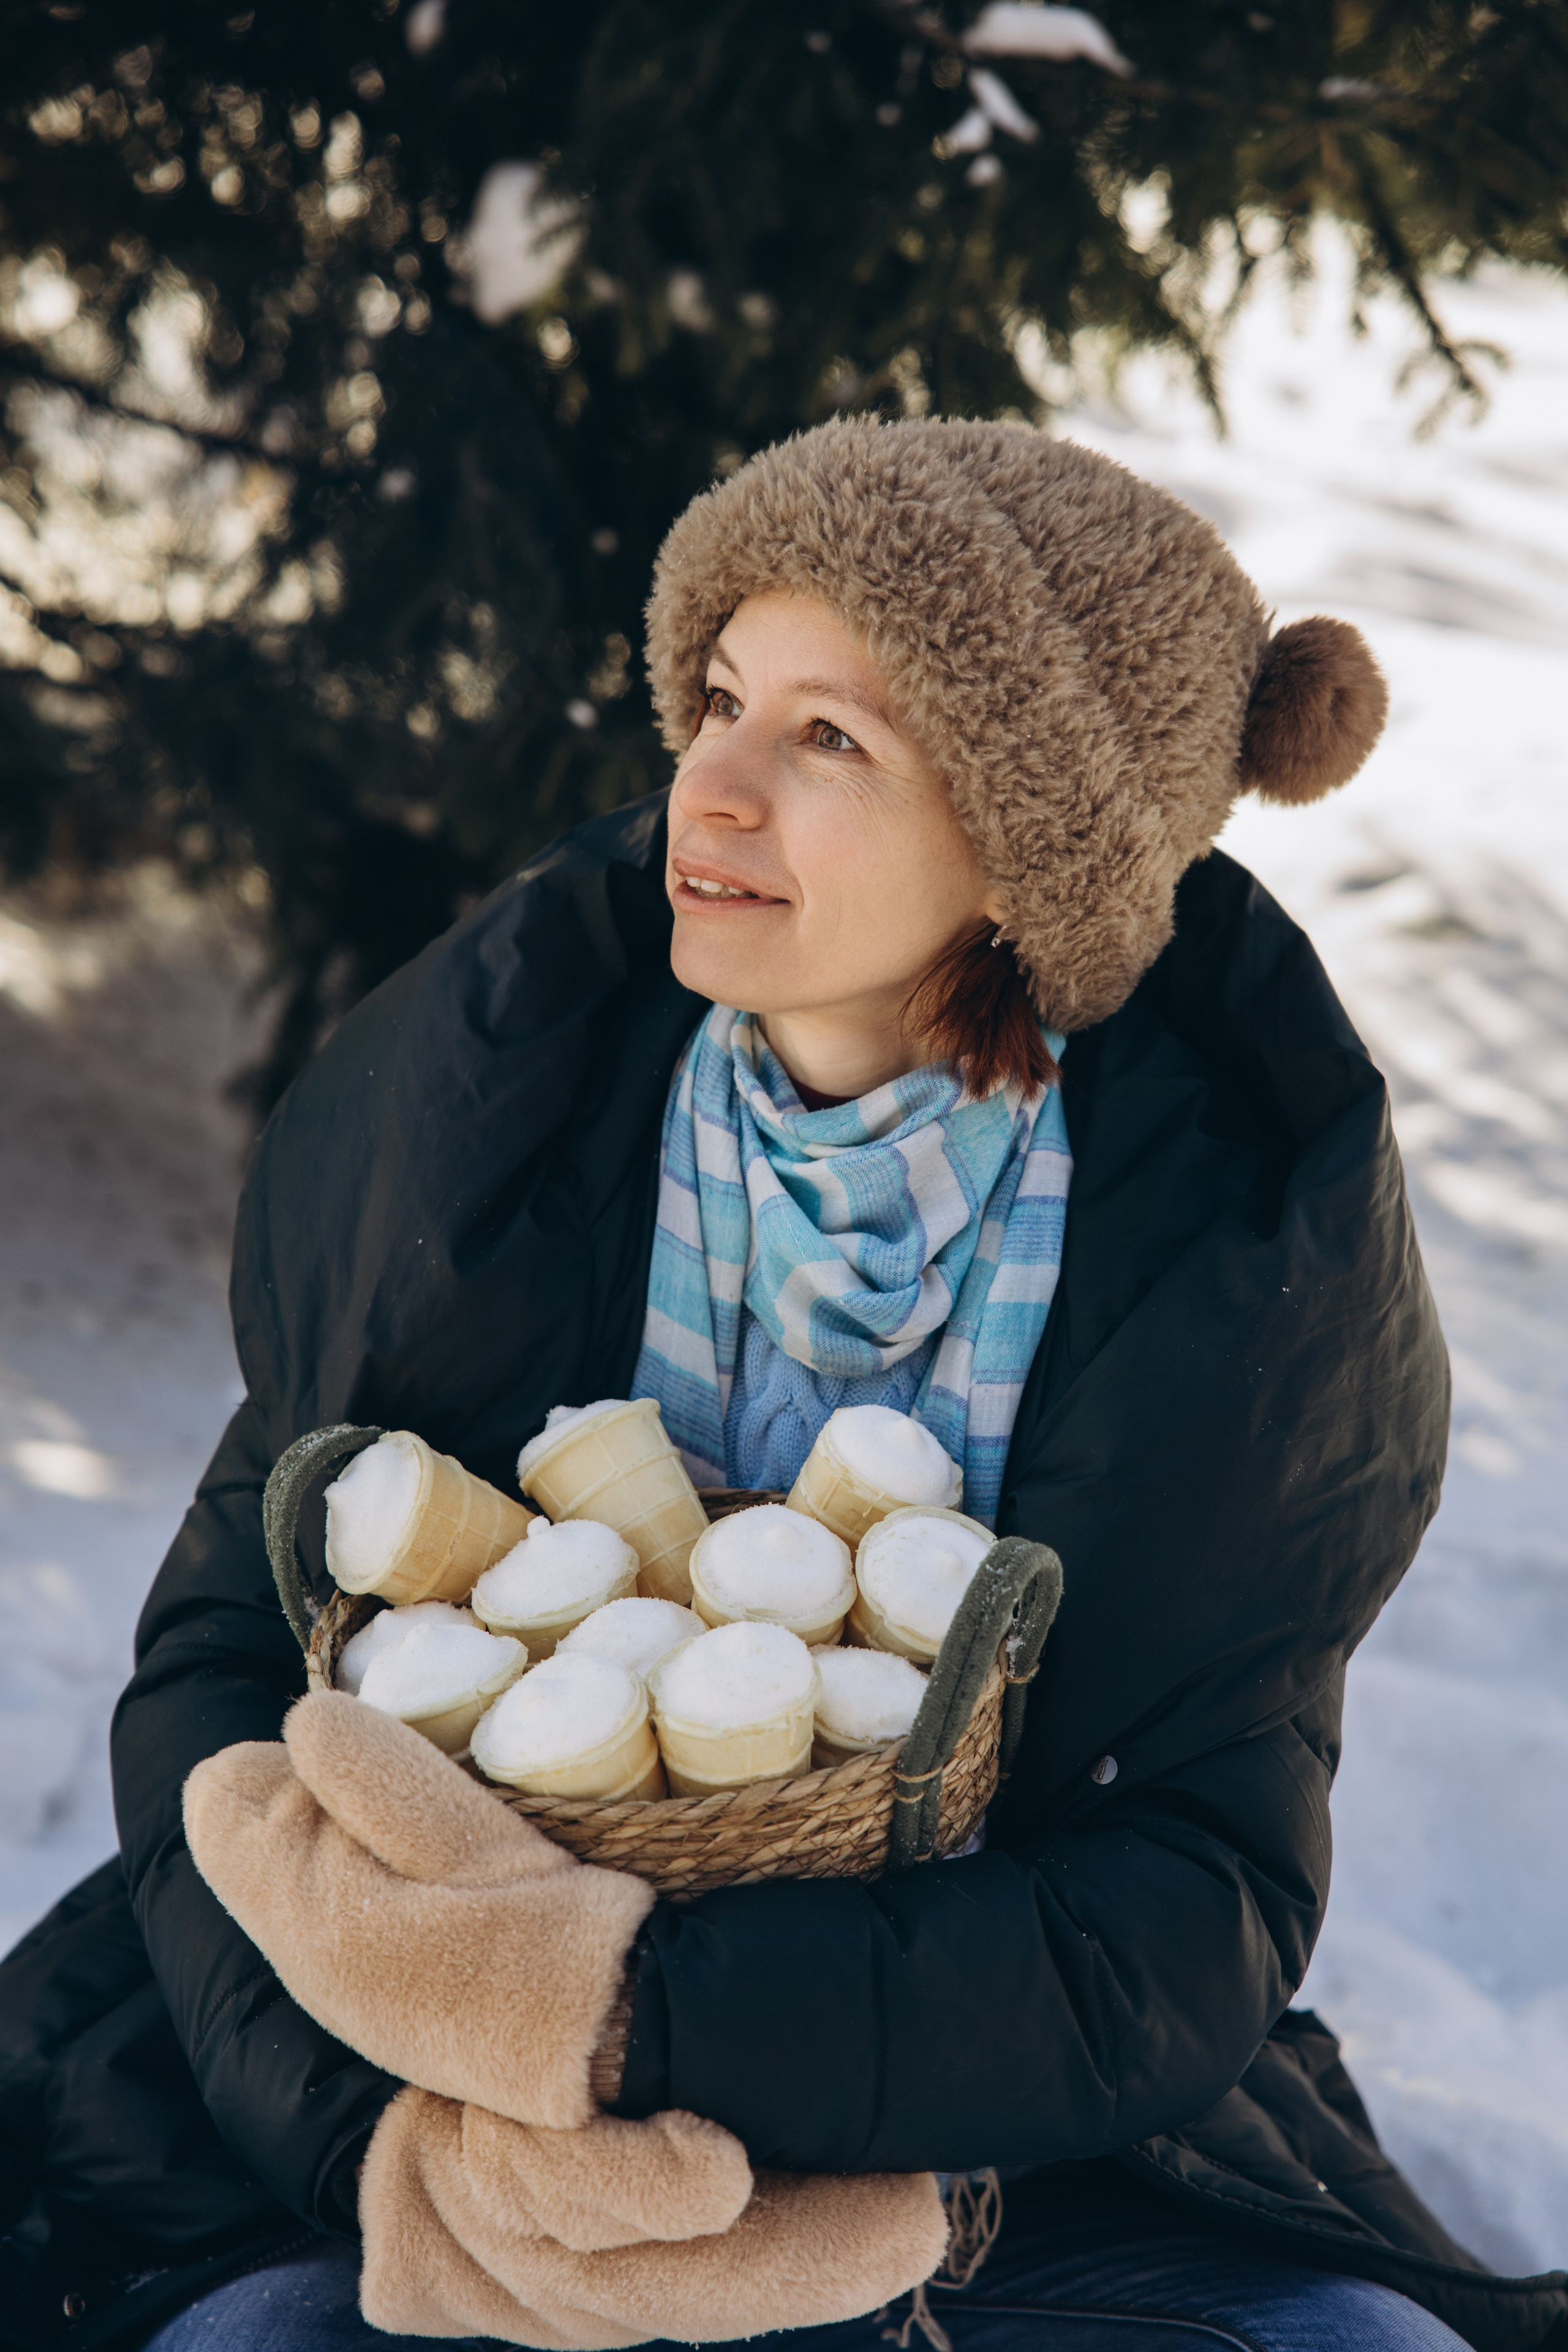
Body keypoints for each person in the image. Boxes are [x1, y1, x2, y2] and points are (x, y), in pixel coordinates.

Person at [1, 421, 1562, 2352]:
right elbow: (221, 1688)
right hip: (408, 2097)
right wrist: (400, 2150)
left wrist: (640, 2024)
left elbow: (1188, 1894)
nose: (710, 792)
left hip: (999, 2149)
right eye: (720, 701)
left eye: (833, 740)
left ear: (1029, 841)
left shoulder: (1210, 1258)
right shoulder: (508, 1122)